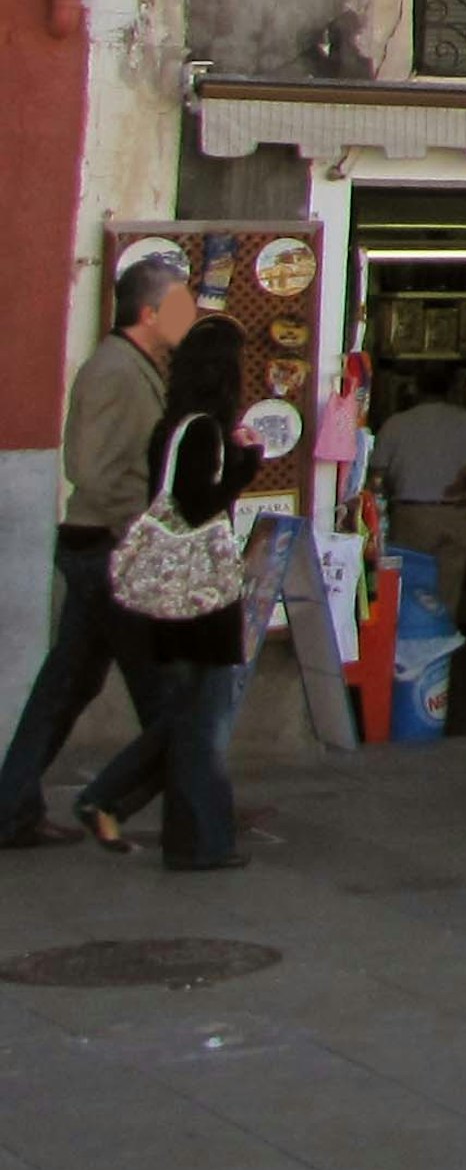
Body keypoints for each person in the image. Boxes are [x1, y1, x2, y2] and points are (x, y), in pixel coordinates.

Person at [0, 253, 196, 850]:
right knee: (169, 694)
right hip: (111, 549)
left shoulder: (140, 366)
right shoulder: (114, 370)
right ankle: (178, 810)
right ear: (149, 311)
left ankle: (12, 809)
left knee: (66, 687)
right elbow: (88, 466)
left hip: (103, 548)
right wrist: (134, 533)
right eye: (182, 304)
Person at [101, 318, 265, 871]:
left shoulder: (168, 427)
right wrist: (245, 468)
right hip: (202, 596)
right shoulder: (203, 432)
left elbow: (167, 499)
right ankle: (203, 841)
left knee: (184, 717)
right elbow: (198, 508)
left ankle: (131, 808)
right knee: (204, 724)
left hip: (164, 593)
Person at [370, 372, 466, 626]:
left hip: (411, 514)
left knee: (409, 586)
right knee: (448, 591)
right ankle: (440, 643)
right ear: (453, 389)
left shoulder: (397, 423)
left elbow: (377, 473)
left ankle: (411, 646)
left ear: (415, 389)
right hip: (455, 513)